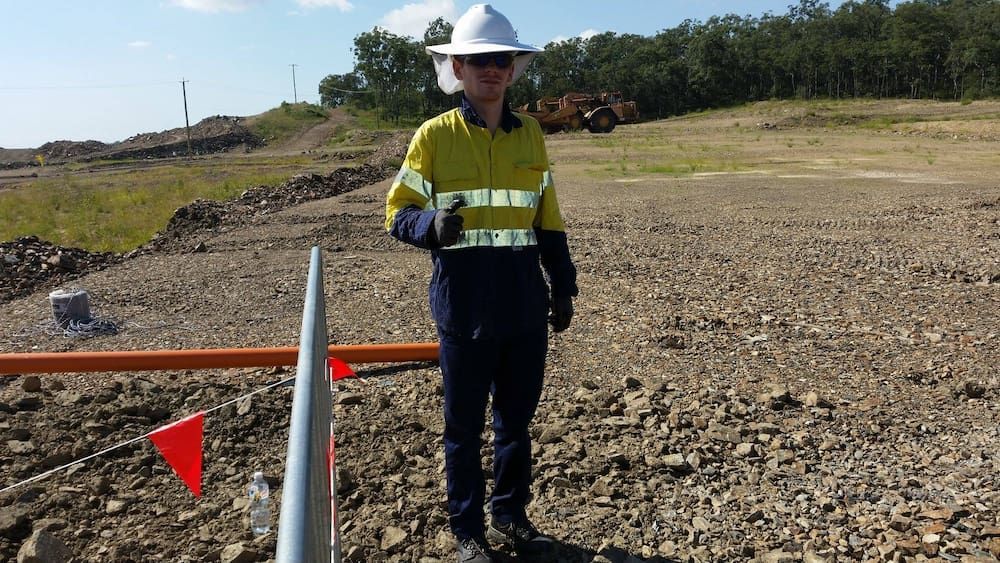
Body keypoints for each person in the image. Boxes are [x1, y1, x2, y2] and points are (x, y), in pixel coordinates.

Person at [384, 4, 577, 562]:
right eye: (478, 60)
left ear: (513, 69)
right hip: (464, 306)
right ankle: (468, 530)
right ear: (458, 70)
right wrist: (429, 226)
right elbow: (396, 211)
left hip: (522, 303)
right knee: (463, 428)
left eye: (500, 59)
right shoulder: (433, 137)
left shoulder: (532, 135)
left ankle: (511, 516)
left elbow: (548, 216)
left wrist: (561, 284)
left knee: (517, 422)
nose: (490, 69)